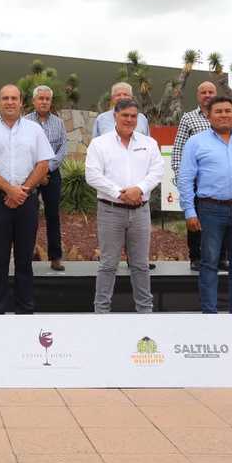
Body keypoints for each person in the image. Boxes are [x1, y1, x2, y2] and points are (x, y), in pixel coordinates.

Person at [177, 96, 232, 314]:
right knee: (209, 264)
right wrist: (190, 211)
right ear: (208, 116)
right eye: (218, 111)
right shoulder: (196, 142)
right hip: (209, 211)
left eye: (228, 110)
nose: (224, 115)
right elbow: (185, 178)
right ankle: (210, 313)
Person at [0, 85, 54, 314]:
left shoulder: (34, 130)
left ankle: (25, 310)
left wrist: (22, 191)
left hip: (26, 202)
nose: (9, 102)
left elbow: (43, 164)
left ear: (21, 103)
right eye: (5, 98)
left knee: (24, 260)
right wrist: (9, 190)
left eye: (14, 98)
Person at [85, 99, 164, 313]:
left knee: (140, 265)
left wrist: (138, 189)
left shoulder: (149, 143)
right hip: (110, 210)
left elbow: (157, 171)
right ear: (115, 116)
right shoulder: (99, 144)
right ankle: (101, 313)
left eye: (133, 116)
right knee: (108, 265)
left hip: (140, 211)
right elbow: (92, 175)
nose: (129, 120)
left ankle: (145, 312)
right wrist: (120, 193)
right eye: (125, 115)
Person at [171, 81, 225, 272]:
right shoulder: (189, 118)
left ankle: (221, 258)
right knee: (195, 219)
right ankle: (196, 257)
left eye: (211, 91)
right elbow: (178, 148)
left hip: (220, 180)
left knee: (222, 218)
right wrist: (180, 175)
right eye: (204, 92)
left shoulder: (224, 115)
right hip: (195, 180)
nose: (207, 95)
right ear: (198, 95)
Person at [25, 85, 68, 271]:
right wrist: (37, 172)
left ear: (51, 102)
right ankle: (27, 254)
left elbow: (62, 149)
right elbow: (23, 148)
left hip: (52, 174)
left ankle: (55, 257)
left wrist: (47, 169)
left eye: (47, 99)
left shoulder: (58, 123)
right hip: (30, 174)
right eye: (40, 98)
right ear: (34, 101)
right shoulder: (25, 122)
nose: (44, 102)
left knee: (52, 215)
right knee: (28, 216)